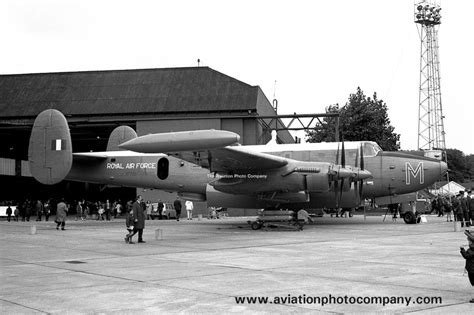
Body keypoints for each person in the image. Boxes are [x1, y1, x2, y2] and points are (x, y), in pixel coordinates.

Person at [460, 230, 474, 303]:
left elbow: (466, 256)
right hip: (471, 268)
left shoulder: (472, 250)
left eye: (469, 241)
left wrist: (462, 249)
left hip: (472, 270)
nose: (468, 243)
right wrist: (466, 267)